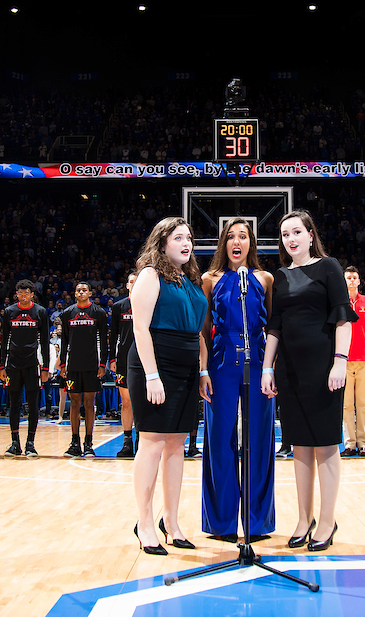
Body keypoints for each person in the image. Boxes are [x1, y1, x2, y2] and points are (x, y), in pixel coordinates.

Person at [261, 209, 355, 552]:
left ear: (310, 234)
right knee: (299, 445)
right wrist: (267, 367)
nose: (291, 239)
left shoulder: (329, 267)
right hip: (290, 370)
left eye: (297, 232)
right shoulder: (281, 276)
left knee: (327, 445)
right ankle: (304, 519)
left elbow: (343, 317)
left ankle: (327, 520)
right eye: (285, 235)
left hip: (324, 367)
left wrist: (339, 362)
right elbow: (275, 325)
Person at [128, 217, 207, 555]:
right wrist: (151, 375)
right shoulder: (149, 275)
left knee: (177, 445)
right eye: (178, 238)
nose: (186, 243)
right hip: (156, 363)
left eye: (188, 237)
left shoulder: (191, 279)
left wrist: (202, 370)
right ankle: (144, 522)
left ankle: (171, 523)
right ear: (162, 243)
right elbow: (140, 329)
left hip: (188, 366)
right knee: (152, 442)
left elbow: (198, 332)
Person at [199, 217, 275, 541]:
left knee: (258, 441)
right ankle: (222, 523)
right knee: (219, 442)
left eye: (243, 236)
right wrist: (202, 370)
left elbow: (274, 327)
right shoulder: (209, 279)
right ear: (223, 243)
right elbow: (202, 330)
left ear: (250, 243)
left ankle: (256, 523)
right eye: (231, 236)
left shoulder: (265, 278)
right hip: (220, 364)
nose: (237, 242)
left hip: (258, 365)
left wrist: (272, 368)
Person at [0, 279, 50, 458]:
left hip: (32, 365)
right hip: (12, 365)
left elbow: (44, 341)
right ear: (16, 294)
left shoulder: (40, 312)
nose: (23, 296)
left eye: (26, 293)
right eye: (20, 293)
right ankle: (15, 443)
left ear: (32, 294)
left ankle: (30, 443)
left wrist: (45, 367)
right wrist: (1, 366)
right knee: (14, 404)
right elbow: (4, 340)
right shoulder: (10, 312)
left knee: (33, 404)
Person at [59, 282, 108, 457]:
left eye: (84, 290)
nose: (81, 292)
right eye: (78, 290)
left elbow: (103, 341)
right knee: (73, 403)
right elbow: (64, 340)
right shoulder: (67, 313)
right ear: (75, 294)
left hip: (91, 365)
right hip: (72, 365)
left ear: (90, 293)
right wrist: (62, 364)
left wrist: (103, 364)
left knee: (89, 404)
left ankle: (88, 443)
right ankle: (74, 443)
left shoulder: (98, 313)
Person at [341, 266, 365, 457]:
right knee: (346, 405)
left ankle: (363, 444)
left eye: (355, 277)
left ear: (359, 281)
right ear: (344, 280)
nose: (352, 280)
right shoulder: (338, 302)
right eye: (349, 278)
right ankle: (349, 443)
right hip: (344, 361)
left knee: (363, 405)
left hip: (364, 359)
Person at [108, 273, 138, 459]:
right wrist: (111, 359)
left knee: (144, 402)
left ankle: (142, 440)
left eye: (138, 281)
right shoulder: (120, 307)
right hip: (124, 360)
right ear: (127, 285)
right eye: (132, 282)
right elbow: (113, 337)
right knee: (126, 402)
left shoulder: (152, 303)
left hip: (145, 360)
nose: (135, 284)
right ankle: (127, 442)